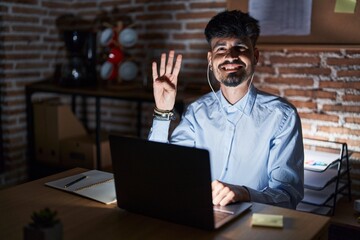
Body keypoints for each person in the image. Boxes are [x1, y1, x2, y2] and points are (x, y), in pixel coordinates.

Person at [148, 10, 304, 209]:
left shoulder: (282, 116)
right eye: (221, 49)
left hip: (253, 223)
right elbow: (164, 170)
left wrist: (243, 193)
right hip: (199, 215)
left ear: (255, 56)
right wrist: (162, 111)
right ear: (210, 60)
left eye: (240, 47)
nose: (230, 56)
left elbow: (288, 196)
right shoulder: (197, 111)